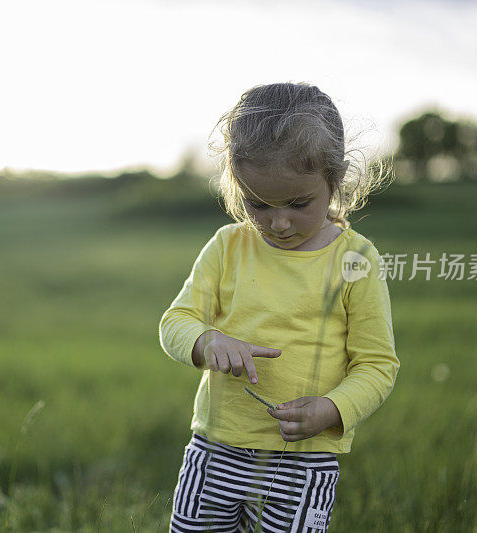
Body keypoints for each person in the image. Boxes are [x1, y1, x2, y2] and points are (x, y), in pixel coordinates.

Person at [159, 82, 400, 532]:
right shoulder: (228, 246)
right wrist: (206, 340)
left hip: (302, 462)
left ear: (336, 178)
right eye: (259, 204)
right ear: (236, 184)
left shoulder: (355, 260)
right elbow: (176, 321)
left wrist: (332, 409)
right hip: (214, 450)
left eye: (298, 203)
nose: (280, 222)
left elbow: (377, 365)